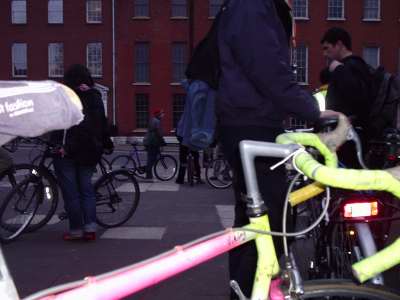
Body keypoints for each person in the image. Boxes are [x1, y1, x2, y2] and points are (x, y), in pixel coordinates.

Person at [216, 1, 337, 298]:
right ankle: (249, 290)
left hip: (247, 120)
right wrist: (315, 112)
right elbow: (269, 71)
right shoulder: (253, 7)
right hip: (251, 122)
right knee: (273, 223)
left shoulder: (249, 7)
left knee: (254, 219)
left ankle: (246, 290)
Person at [51, 64, 113, 241]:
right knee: (86, 190)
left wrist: (59, 145)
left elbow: (63, 125)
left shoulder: (68, 99)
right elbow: (101, 122)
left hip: (68, 152)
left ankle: (76, 230)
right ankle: (90, 228)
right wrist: (106, 142)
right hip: (90, 152)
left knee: (72, 193)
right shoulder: (95, 96)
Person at [321, 27, 373, 167]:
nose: (324, 54)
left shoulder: (353, 66)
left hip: (350, 139)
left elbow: (358, 96)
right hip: (344, 136)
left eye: (327, 48)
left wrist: (339, 70)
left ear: (339, 45)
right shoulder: (347, 67)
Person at [144, 108, 166, 180]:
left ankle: (148, 173)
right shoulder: (156, 121)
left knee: (151, 158)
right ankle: (148, 174)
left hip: (149, 141)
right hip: (152, 142)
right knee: (152, 158)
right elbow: (158, 133)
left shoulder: (153, 120)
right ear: (158, 114)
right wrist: (162, 142)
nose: (163, 115)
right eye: (161, 113)